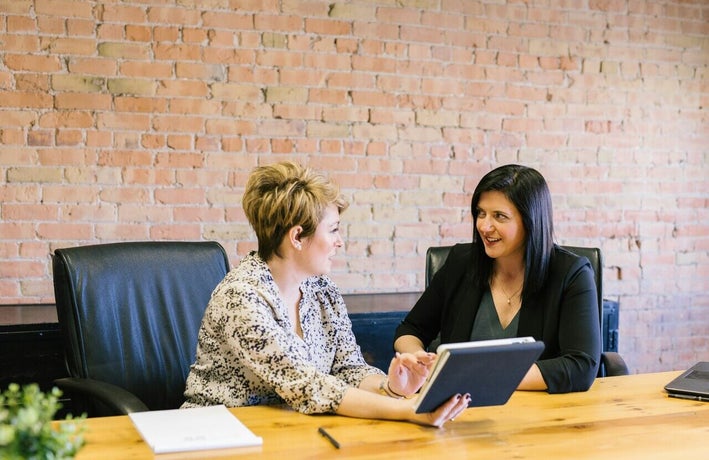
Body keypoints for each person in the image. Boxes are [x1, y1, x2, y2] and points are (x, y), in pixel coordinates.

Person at [182, 161, 469, 427]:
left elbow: (348, 368)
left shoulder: (322, 290)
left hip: (291, 431)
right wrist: (409, 410)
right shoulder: (241, 297)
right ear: (296, 237)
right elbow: (307, 386)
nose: (339, 242)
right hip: (217, 433)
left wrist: (392, 387)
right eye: (333, 230)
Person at [394, 164, 601, 393]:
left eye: (499, 216)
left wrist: (480, 377)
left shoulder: (571, 273)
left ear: (530, 221)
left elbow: (582, 365)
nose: (484, 226)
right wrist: (417, 359)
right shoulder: (461, 262)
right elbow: (410, 330)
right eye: (481, 213)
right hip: (459, 409)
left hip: (538, 412)